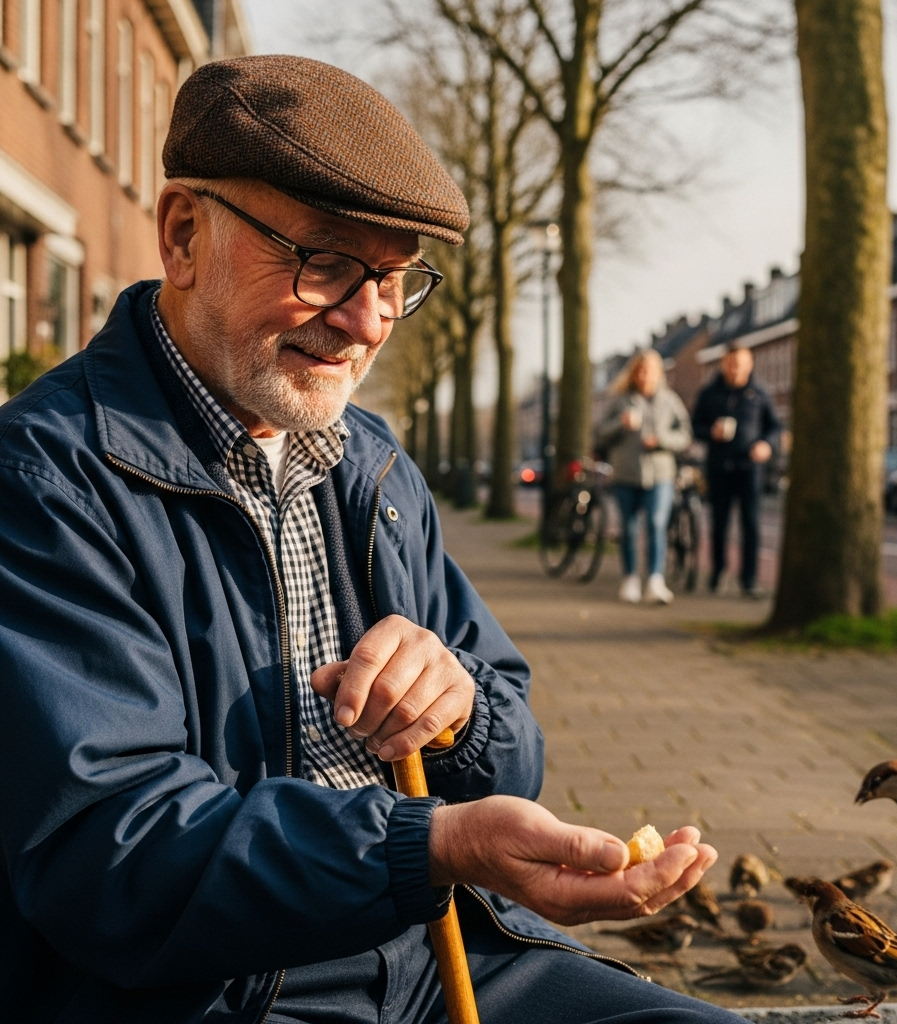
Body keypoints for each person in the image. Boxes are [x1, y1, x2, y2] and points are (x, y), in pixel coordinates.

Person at [0, 57, 745, 1024]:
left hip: (446, 953)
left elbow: (513, 746)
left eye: (395, 280)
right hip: (216, 995)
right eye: (325, 263)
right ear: (184, 235)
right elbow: (113, 855)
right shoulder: (45, 484)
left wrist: (460, 712)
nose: (366, 323)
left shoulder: (371, 465)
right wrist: (427, 847)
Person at [596, 350, 692, 604]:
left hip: (660, 474)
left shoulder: (670, 401)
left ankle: (655, 580)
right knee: (628, 527)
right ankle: (630, 579)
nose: (644, 375)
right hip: (626, 473)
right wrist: (620, 423)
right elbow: (599, 433)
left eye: (649, 370)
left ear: (658, 373)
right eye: (639, 370)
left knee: (657, 524)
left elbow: (685, 434)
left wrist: (662, 441)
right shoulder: (620, 401)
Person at [692, 341, 781, 598]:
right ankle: (718, 571)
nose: (735, 369)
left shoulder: (760, 393)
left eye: (740, 364)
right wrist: (710, 432)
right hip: (719, 467)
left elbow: (774, 427)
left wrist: (766, 445)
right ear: (723, 364)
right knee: (719, 523)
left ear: (750, 364)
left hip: (750, 468)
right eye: (731, 363)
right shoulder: (709, 393)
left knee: (750, 524)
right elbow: (694, 425)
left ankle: (749, 579)